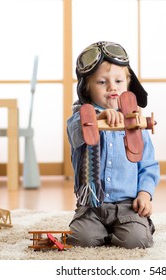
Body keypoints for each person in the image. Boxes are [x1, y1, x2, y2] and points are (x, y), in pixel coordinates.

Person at [66, 41, 160, 249]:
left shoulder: (136, 122)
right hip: (91, 206)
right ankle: (101, 231)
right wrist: (97, 117)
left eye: (118, 80)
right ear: (87, 89)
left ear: (127, 84)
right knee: (81, 239)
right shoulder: (78, 119)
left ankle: (135, 227)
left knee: (137, 240)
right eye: (101, 82)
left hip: (128, 206)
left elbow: (149, 165)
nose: (112, 87)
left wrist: (144, 193)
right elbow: (75, 132)